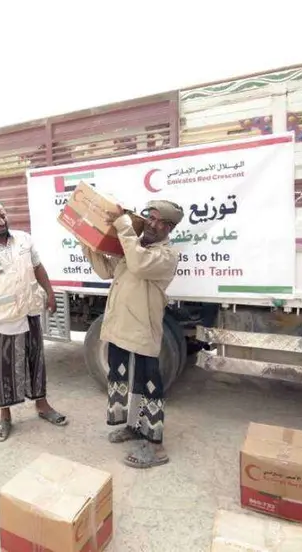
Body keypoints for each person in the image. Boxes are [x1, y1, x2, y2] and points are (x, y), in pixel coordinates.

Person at [81, 199, 184, 468]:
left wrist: (123, 224)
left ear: (169, 227)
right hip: (119, 329)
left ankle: (155, 446)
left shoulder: (166, 256)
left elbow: (138, 265)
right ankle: (132, 427)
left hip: (141, 333)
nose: (150, 223)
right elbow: (105, 270)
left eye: (157, 220)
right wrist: (86, 241)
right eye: (148, 217)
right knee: (125, 383)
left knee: (149, 387)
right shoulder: (135, 248)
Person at [0, 200, 68, 442]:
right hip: (2, 319)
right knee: (4, 370)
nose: (1, 222)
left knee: (36, 362)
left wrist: (49, 292)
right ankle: (5, 416)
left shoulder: (23, 240)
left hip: (29, 312)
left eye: (3, 216)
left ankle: (42, 406)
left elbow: (38, 267)